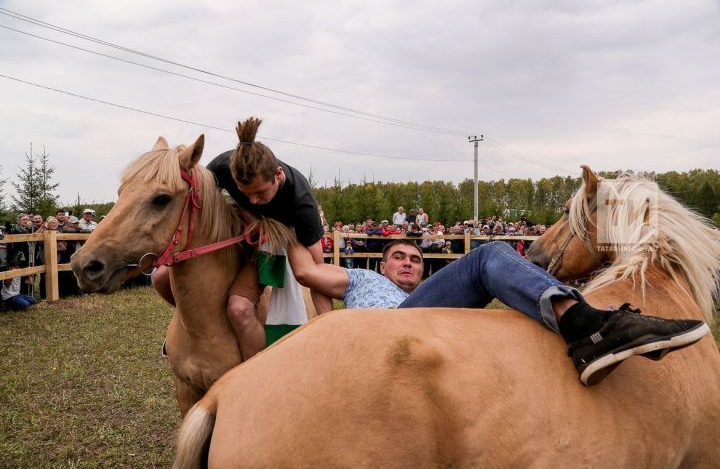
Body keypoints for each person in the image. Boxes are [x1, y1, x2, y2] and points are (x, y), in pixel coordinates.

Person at [288, 239, 708, 386]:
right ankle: (585, 325)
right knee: (487, 257)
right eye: (398, 257)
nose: (407, 263)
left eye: (415, 260)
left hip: (427, 322)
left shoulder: (431, 292)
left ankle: (589, 314)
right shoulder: (360, 279)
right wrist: (283, 214)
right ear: (381, 265)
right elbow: (306, 271)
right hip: (388, 330)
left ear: (423, 271)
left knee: (499, 269)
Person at [152, 117, 331, 362]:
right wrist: (245, 215)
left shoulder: (302, 202)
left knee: (240, 307)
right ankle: (193, 334)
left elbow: (318, 274)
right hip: (235, 236)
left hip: (273, 246)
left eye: (260, 193)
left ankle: (254, 373)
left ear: (278, 175)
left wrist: (330, 328)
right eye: (245, 193)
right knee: (161, 277)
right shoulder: (222, 166)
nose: (254, 200)